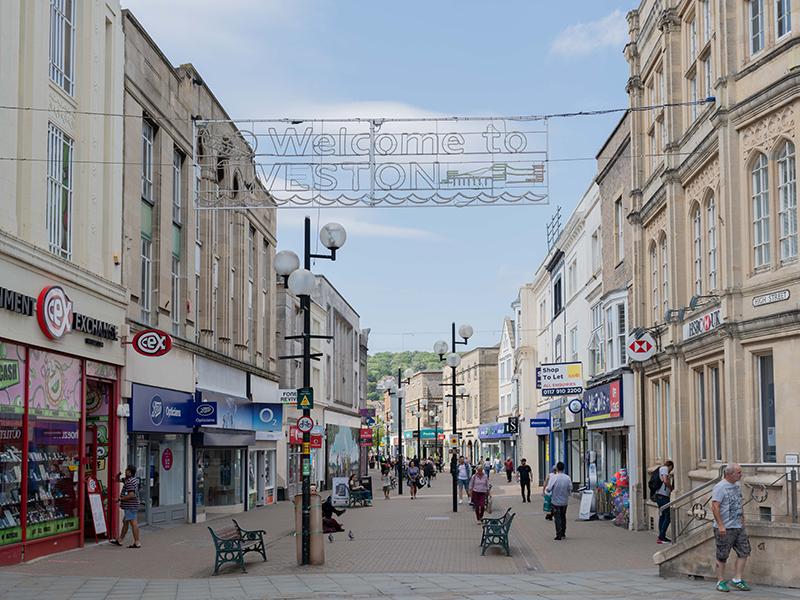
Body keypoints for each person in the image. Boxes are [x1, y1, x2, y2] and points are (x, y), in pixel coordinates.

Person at [712, 464, 752, 592]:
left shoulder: (737, 486)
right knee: (722, 555)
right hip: (725, 527)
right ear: (730, 474)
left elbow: (739, 503)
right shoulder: (720, 487)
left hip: (738, 525)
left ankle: (737, 579)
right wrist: (720, 525)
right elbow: (715, 506)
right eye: (739, 472)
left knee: (744, 551)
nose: (741, 474)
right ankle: (720, 581)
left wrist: (743, 518)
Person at [111, 465, 141, 548]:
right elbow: (116, 480)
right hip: (131, 506)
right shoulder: (131, 480)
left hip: (130, 506)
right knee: (125, 522)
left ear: (129, 472)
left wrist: (120, 499)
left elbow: (131, 494)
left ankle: (137, 542)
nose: (125, 472)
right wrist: (118, 475)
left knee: (133, 523)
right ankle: (120, 540)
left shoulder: (130, 482)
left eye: (126, 470)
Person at [545, 462, 572, 540]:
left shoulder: (554, 478)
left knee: (557, 517)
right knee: (563, 516)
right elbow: (570, 488)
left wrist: (547, 490)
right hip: (564, 501)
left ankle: (558, 534)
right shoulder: (567, 478)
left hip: (555, 501)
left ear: (556, 468)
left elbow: (549, 488)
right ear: (563, 468)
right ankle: (563, 533)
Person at [655, 459, 674, 544]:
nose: (670, 471)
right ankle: (661, 537)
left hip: (659, 496)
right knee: (668, 516)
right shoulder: (665, 469)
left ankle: (661, 536)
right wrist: (672, 488)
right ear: (670, 466)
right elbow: (665, 481)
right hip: (663, 496)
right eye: (671, 469)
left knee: (663, 516)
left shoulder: (661, 469)